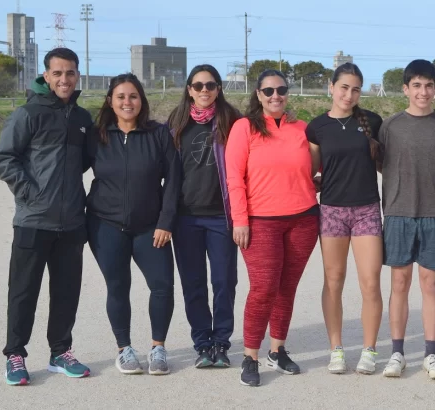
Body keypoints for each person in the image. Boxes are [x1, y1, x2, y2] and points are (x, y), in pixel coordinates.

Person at [0, 47, 93, 386]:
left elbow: (83, 164)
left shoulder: (82, 119)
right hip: (33, 222)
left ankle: (59, 352)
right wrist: (30, 194)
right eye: (58, 73)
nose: (64, 79)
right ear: (46, 76)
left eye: (70, 73)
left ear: (77, 75)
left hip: (71, 225)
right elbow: (6, 159)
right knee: (23, 292)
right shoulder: (28, 114)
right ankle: (16, 355)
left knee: (66, 292)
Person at [226, 69, 319, 387]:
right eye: (268, 91)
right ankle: (250, 357)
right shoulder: (244, 127)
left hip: (303, 219)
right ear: (258, 95)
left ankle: (277, 350)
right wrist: (240, 219)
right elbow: (233, 178)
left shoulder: (302, 129)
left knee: (286, 288)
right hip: (260, 221)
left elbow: (312, 170)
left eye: (281, 90)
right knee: (263, 288)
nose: (276, 96)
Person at [86, 73, 181, 376]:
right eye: (121, 97)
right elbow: (70, 170)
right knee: (117, 287)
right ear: (111, 101)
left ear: (142, 100)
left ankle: (158, 348)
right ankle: (124, 349)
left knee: (163, 286)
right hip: (105, 224)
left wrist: (165, 222)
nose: (127, 102)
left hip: (150, 227)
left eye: (133, 96)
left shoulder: (158, 134)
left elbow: (174, 180)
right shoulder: (97, 134)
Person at [378, 59, 435, 380]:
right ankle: (397, 352)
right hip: (398, 214)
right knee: (399, 283)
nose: (423, 91)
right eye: (416, 85)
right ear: (405, 89)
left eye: (429, 85)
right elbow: (383, 164)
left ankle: (430, 355)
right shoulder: (391, 125)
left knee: (431, 285)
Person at [307, 63, 384, 375]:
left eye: (355, 89)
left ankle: (369, 350)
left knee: (370, 282)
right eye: (343, 87)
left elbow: (385, 164)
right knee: (334, 281)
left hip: (367, 210)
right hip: (333, 212)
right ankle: (336, 349)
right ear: (331, 86)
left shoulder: (372, 122)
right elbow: (313, 173)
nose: (349, 94)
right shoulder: (316, 127)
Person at [167, 64, 240, 369]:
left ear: (219, 88)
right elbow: (165, 172)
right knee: (193, 284)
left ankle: (221, 343)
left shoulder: (233, 121)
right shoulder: (176, 121)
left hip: (221, 216)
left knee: (224, 281)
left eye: (210, 85)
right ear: (189, 90)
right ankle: (202, 344)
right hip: (186, 218)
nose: (204, 91)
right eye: (198, 86)